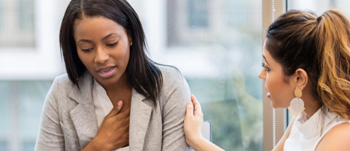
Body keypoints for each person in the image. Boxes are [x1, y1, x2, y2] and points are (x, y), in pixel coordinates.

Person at [184, 9, 350, 151]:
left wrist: (196, 140)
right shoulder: (304, 118)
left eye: (267, 68)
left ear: (299, 78)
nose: (261, 75)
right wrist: (196, 139)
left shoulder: (341, 136)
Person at [35, 0, 191, 150]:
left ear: (130, 36)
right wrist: (99, 146)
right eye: (87, 48)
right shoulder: (62, 92)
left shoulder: (168, 85)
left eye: (111, 43)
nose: (100, 58)